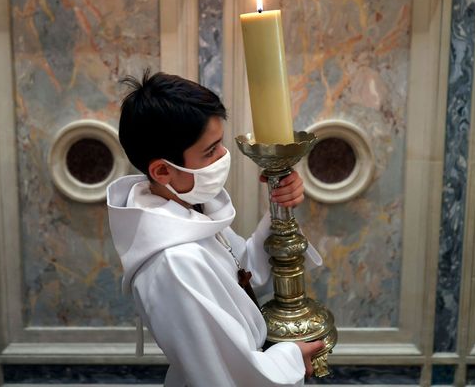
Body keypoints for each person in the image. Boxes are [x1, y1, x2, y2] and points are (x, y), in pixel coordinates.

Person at [106, 71, 324, 386]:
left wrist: (280, 206)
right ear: (163, 170)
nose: (223, 156)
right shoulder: (175, 264)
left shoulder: (185, 213)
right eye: (210, 151)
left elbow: (241, 273)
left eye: (220, 143)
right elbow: (230, 376)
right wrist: (291, 355)